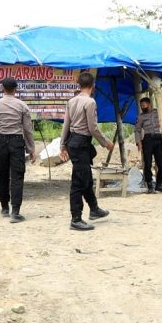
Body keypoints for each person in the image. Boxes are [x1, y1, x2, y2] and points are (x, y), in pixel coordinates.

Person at [59, 72, 114, 231]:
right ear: (93, 86)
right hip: (81, 143)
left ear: (78, 85)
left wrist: (63, 145)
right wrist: (105, 143)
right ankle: (75, 218)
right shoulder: (90, 102)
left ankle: (94, 209)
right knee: (78, 182)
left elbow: (66, 125)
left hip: (74, 142)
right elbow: (93, 128)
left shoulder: (71, 101)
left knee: (86, 177)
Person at [0, 77, 36, 223]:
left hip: (2, 143)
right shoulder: (22, 106)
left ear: (2, 88)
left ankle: (4, 207)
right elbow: (27, 129)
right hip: (17, 142)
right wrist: (31, 149)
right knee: (17, 176)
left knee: (2, 175)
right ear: (16, 89)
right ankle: (16, 212)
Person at [135, 97, 162, 193]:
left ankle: (159, 184)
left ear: (149, 104)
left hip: (159, 139)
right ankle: (150, 185)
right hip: (148, 140)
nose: (142, 107)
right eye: (141, 106)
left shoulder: (157, 112)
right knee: (148, 163)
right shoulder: (140, 117)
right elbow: (137, 130)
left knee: (161, 164)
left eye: (144, 105)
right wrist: (138, 142)